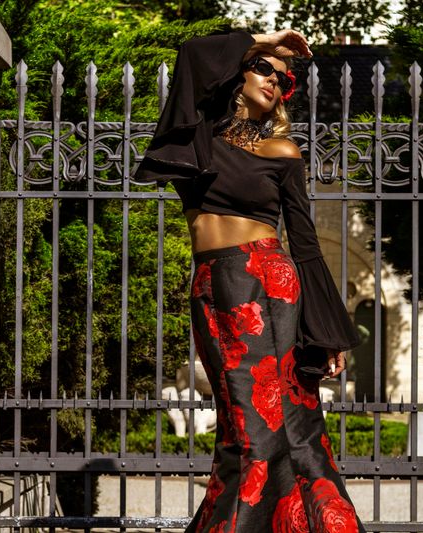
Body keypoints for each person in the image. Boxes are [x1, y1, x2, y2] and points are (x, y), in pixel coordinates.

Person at [133, 29, 365, 533]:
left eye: (283, 80)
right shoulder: (196, 136)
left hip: (270, 283)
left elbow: (304, 242)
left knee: (276, 428)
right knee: (243, 427)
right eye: (264, 69)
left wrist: (326, 331)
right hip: (214, 287)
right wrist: (268, 38)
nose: (275, 83)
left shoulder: (282, 150)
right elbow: (193, 53)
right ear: (238, 72)